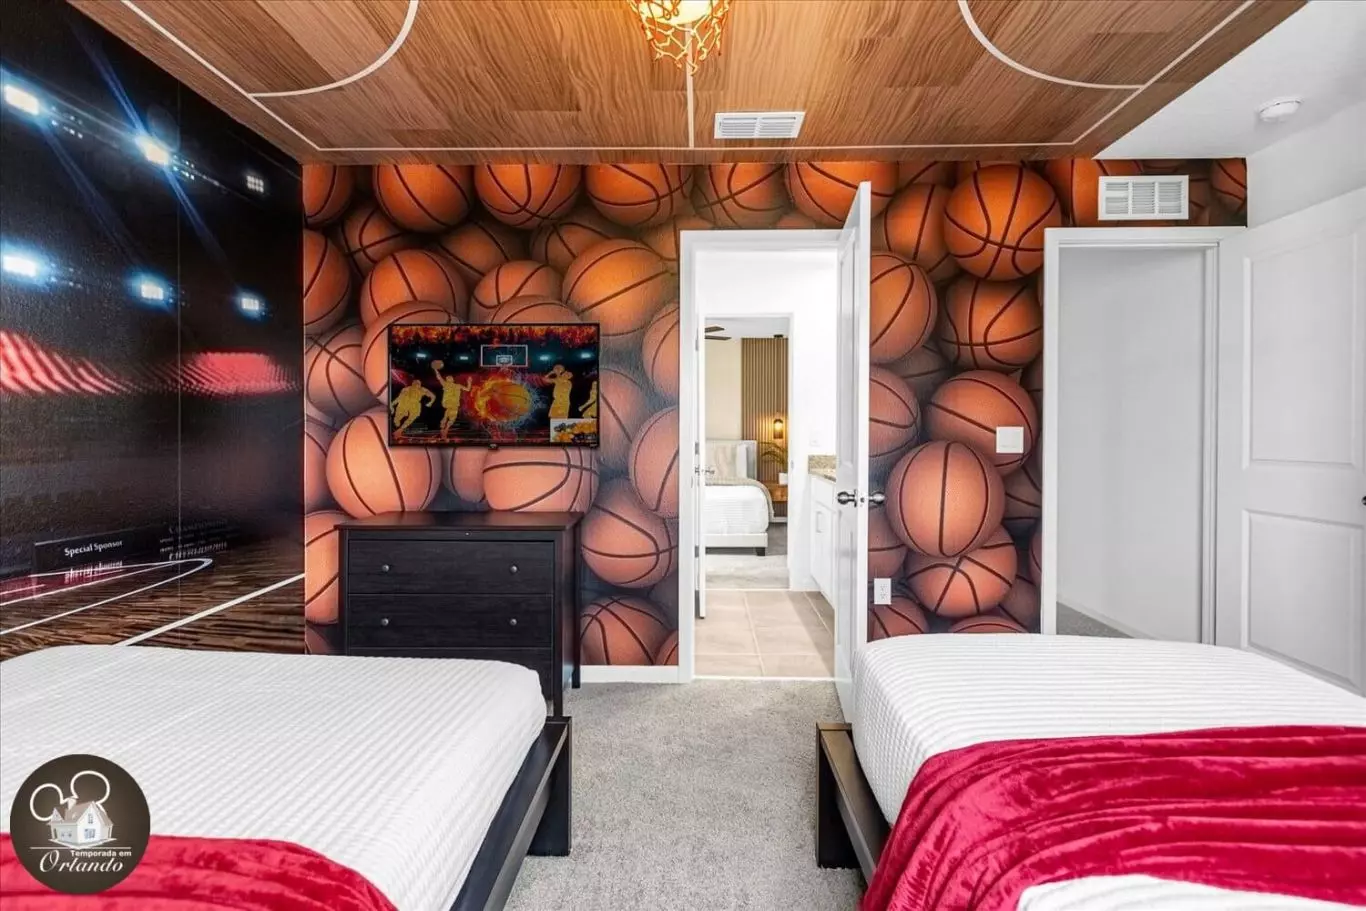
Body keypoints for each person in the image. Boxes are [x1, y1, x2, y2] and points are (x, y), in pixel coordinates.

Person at [431, 359, 472, 440]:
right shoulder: (445, 384)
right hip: (449, 402)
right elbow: (439, 377)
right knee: (450, 415)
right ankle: (444, 425)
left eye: (451, 377)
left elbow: (468, 389)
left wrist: (469, 382)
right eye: (448, 378)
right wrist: (435, 370)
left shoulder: (458, 386)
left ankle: (445, 427)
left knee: (451, 418)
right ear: (447, 380)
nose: (450, 378)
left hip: (454, 404)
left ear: (452, 379)